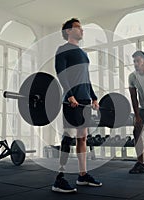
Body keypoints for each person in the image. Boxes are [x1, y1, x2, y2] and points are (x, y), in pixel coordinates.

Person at [52, 18, 102, 193]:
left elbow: (86, 78)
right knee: (69, 135)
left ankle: (82, 175)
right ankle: (59, 178)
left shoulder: (83, 53)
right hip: (72, 102)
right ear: (68, 31)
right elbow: (60, 73)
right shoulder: (63, 50)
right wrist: (70, 94)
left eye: (81, 28)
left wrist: (94, 97)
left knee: (83, 138)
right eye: (78, 28)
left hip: (85, 100)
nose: (82, 31)